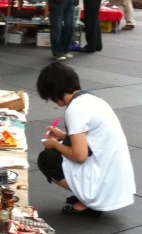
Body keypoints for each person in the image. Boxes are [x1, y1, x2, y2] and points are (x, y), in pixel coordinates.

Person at [36, 62, 136, 215]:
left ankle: (88, 199)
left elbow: (79, 156)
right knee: (60, 148)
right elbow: (93, 138)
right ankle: (86, 193)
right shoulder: (90, 98)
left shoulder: (75, 109)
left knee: (48, 158)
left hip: (103, 179)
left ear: (54, 91)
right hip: (113, 174)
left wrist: (54, 144)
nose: (51, 100)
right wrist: (63, 136)